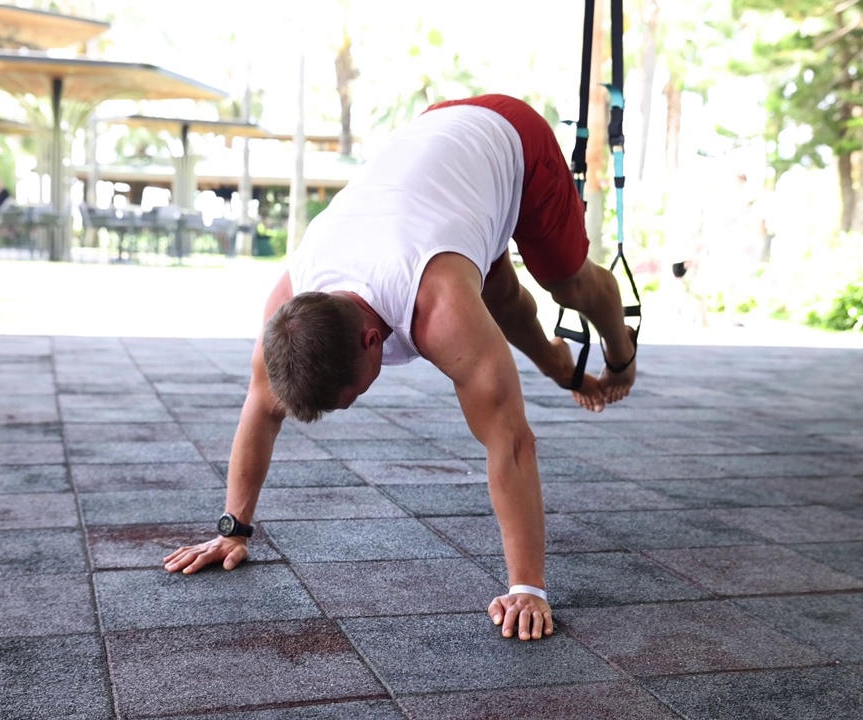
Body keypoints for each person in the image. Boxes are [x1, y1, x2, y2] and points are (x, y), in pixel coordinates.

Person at [163, 94, 638, 642]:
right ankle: (562, 367)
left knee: (567, 282)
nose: (350, 407)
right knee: (503, 301)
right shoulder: (289, 310)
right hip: (439, 160)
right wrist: (232, 529)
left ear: (373, 341)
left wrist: (527, 588)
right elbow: (261, 406)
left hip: (508, 135)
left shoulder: (439, 310)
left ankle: (620, 348)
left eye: (350, 397)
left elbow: (510, 441)